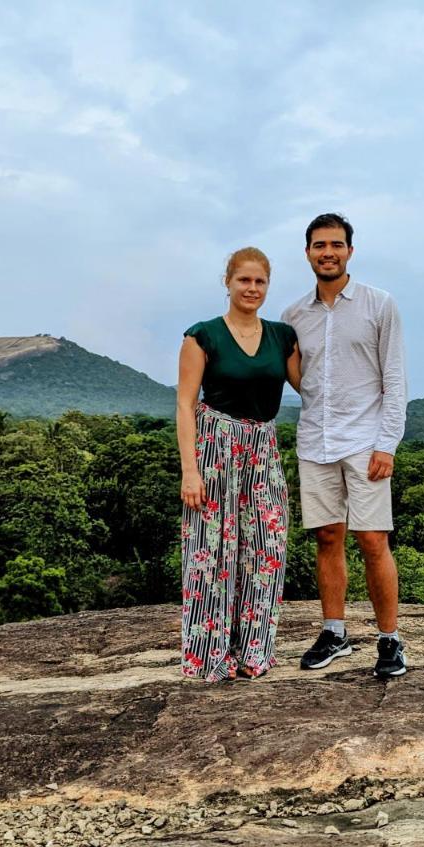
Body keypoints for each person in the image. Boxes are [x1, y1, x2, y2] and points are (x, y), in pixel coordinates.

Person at [281, 213, 408, 679]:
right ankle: (334, 632)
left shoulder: (379, 304)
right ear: (308, 252)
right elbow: (303, 379)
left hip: (365, 441)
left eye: (336, 244)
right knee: (326, 537)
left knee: (373, 539)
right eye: (319, 245)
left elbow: (394, 378)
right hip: (316, 439)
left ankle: (390, 639)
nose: (327, 252)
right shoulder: (294, 315)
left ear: (350, 251)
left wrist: (387, 444)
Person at [176, 247, 300, 683]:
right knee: (213, 550)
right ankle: (209, 656)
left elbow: (316, 388)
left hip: (262, 446)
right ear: (227, 282)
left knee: (265, 548)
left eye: (260, 282)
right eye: (243, 280)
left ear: (268, 286)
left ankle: (254, 653)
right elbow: (185, 405)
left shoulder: (282, 337)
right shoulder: (202, 336)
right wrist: (190, 470)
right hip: (215, 446)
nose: (251, 289)